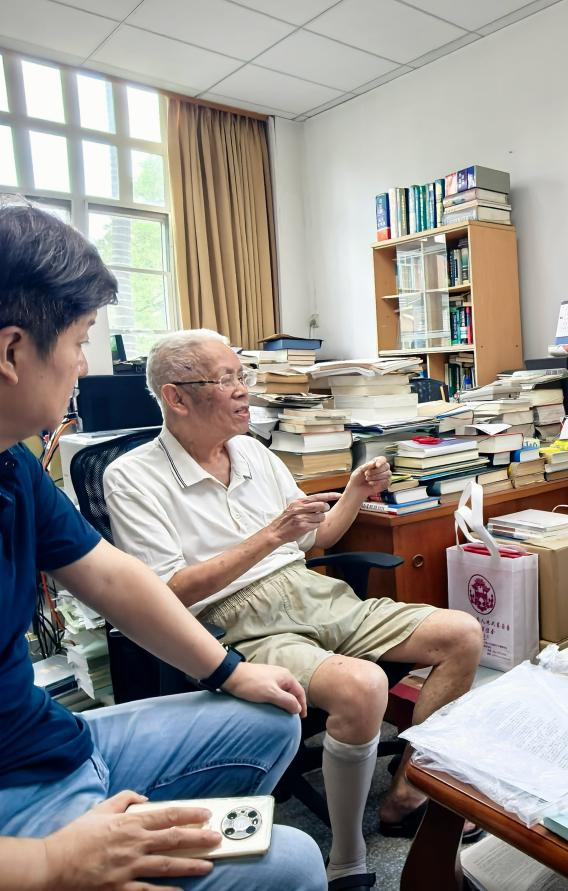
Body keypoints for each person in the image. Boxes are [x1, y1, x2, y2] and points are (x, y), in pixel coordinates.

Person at [0, 203, 325, 890]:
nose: (83, 367)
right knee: (294, 859)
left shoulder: (13, 464)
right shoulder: (131, 472)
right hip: (17, 808)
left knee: (271, 715)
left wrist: (229, 671)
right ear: (12, 352)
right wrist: (51, 863)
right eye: (79, 342)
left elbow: (111, 577)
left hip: (48, 739)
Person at [104, 329, 484, 888]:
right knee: (362, 686)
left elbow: (314, 538)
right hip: (231, 621)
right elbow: (169, 593)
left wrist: (354, 491)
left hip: (310, 593)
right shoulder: (132, 477)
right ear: (175, 397)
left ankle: (406, 793)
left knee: (462, 633)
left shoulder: (256, 452)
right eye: (227, 379)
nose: (244, 390)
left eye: (243, 375)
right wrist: (269, 536)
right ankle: (348, 856)